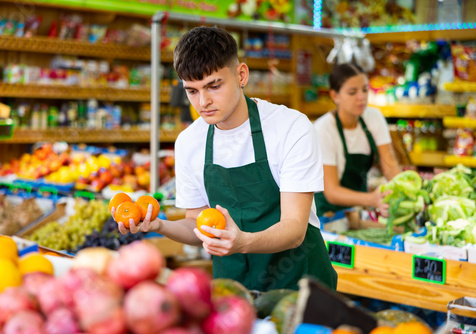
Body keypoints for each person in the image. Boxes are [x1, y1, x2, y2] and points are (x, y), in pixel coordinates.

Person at [115, 26, 337, 292]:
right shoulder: (189, 143)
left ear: (241, 74)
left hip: (301, 284)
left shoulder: (290, 128)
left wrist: (242, 242)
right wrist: (160, 225)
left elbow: (294, 228)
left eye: (214, 86)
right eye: (192, 91)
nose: (203, 102)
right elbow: (197, 224)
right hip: (232, 289)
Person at [313, 63, 401, 217]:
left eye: (365, 90)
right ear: (335, 96)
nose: (361, 97)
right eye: (352, 92)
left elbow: (390, 166)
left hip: (357, 210)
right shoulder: (323, 129)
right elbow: (332, 191)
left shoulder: (374, 118)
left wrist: (405, 190)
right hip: (326, 213)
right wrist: (372, 200)